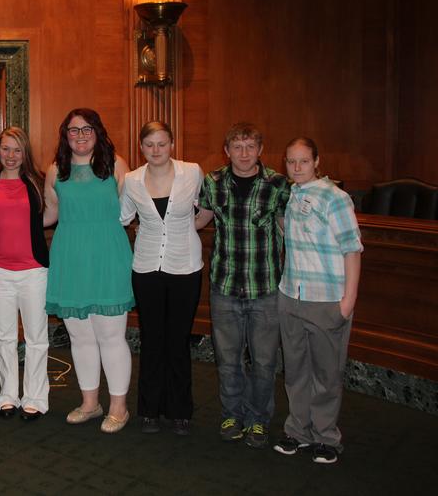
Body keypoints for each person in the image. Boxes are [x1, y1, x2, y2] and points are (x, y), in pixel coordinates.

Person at [198, 122, 290, 448]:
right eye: (237, 147)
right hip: (224, 286)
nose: (244, 153)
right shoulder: (213, 182)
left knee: (264, 362)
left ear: (260, 150)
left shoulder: (278, 184)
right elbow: (198, 220)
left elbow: (287, 230)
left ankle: (259, 420)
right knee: (228, 360)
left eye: (250, 146)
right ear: (227, 151)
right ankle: (231, 414)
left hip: (264, 288)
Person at [120, 121, 213, 436]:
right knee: (151, 340)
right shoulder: (132, 180)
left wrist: (187, 230)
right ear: (141, 147)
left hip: (185, 267)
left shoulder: (192, 172)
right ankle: (149, 410)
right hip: (146, 269)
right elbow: (123, 218)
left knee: (177, 341)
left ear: (172, 144)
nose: (156, 150)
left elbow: (206, 210)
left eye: (162, 143)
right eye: (149, 144)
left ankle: (180, 411)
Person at [45, 108, 134, 433]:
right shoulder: (57, 170)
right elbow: (48, 214)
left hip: (108, 254)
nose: (80, 136)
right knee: (80, 337)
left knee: (111, 336)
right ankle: (89, 403)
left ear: (98, 132)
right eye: (73, 130)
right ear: (64, 135)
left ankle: (119, 408)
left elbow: (130, 210)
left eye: (86, 129)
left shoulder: (116, 164)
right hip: (70, 256)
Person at [274, 138, 363, 464]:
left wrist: (348, 300)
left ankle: (326, 438)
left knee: (326, 375)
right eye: (291, 162)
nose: (296, 168)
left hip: (326, 300)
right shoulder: (290, 195)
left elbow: (352, 250)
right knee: (296, 372)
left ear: (317, 162)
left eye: (303, 162)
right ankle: (298, 431)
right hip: (291, 296)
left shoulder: (336, 198)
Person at [0, 127, 50, 421]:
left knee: (36, 338)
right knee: (5, 337)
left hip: (33, 271)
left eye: (17, 150)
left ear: (25, 153)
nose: (10, 156)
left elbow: (51, 214)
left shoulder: (37, 181)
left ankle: (35, 398)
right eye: (5, 149)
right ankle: (8, 395)